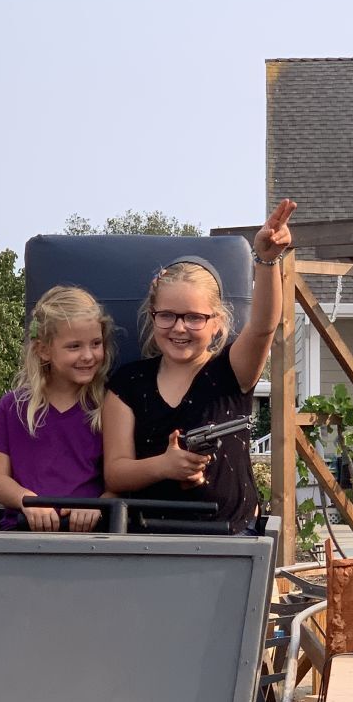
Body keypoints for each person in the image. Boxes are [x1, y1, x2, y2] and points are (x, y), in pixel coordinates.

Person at [103, 202, 296, 533]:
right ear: (152, 316)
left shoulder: (232, 370)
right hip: (149, 538)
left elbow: (264, 326)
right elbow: (116, 472)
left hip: (231, 536)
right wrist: (165, 466)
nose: (179, 328)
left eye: (194, 317)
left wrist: (266, 260)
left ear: (217, 322)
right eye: (167, 316)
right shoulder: (128, 383)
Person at [0, 286, 113, 532]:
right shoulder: (13, 407)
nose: (88, 355)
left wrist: (98, 506)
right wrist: (28, 502)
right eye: (74, 346)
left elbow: (118, 480)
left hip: (91, 541)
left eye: (96, 343)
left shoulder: (109, 407)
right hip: (22, 534)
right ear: (44, 350)